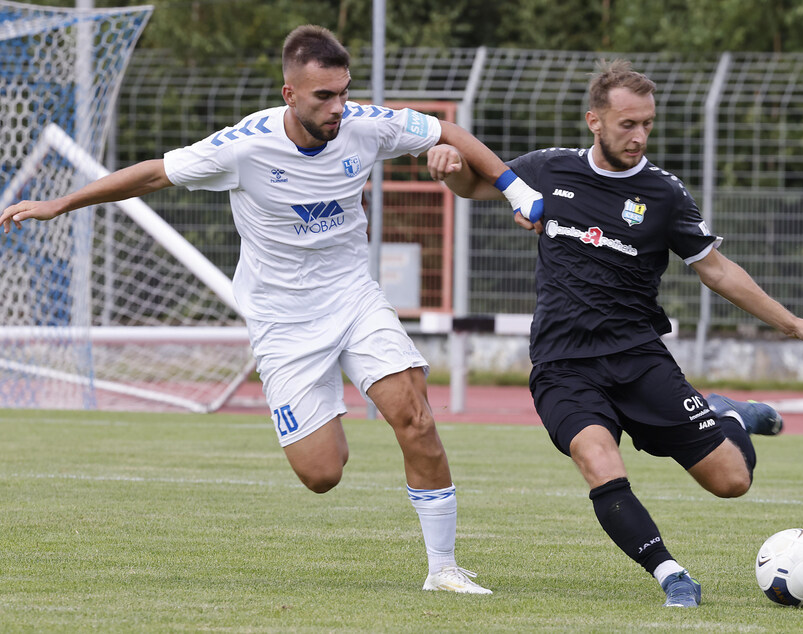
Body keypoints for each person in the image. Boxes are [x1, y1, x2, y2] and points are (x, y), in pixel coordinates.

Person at [0, 25, 545, 595]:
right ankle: (321, 412)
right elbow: (156, 172)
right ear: (289, 94)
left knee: (416, 420)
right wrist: (62, 202)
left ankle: (443, 569)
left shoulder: (363, 124)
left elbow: (447, 129)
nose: (338, 108)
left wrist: (514, 188)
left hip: (353, 297)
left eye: (342, 92)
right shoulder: (243, 146)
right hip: (283, 321)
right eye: (323, 97)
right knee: (322, 474)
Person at [426, 59, 803, 607]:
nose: (639, 135)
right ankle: (672, 575)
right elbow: (474, 185)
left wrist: (793, 324)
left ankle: (730, 414)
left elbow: (715, 269)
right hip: (563, 365)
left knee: (731, 481)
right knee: (598, 460)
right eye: (627, 124)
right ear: (594, 120)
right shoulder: (549, 169)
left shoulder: (663, 193)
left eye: (647, 123)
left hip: (638, 358)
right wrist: (448, 162)